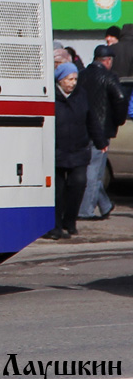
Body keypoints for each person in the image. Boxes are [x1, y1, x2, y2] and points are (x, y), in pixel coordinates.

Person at [50, 62, 106, 239]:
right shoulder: (51, 96)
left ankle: (70, 221)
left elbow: (92, 120)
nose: (72, 83)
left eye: (75, 79)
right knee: (57, 191)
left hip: (78, 149)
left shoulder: (81, 95)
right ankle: (56, 226)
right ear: (60, 80)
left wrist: (100, 141)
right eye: (69, 79)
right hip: (57, 151)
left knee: (78, 184)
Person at [78, 45, 127, 220]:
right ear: (107, 61)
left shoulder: (81, 76)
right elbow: (121, 99)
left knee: (88, 169)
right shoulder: (109, 77)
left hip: (82, 129)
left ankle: (105, 205)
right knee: (94, 171)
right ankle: (85, 211)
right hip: (102, 130)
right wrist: (118, 120)